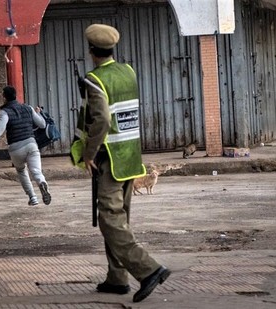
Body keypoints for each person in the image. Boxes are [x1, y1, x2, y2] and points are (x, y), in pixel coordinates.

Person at [80, 23, 171, 303]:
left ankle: (149, 270)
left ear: (91, 51)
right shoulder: (128, 71)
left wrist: (88, 153)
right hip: (131, 157)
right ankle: (117, 278)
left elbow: (104, 120)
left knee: (109, 220)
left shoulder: (94, 80)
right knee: (121, 219)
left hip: (109, 158)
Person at [0, 86, 52, 206]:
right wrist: (37, 114)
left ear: (5, 97)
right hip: (31, 144)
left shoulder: (4, 112)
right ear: (16, 95)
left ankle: (33, 197)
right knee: (36, 171)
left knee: (21, 171)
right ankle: (41, 182)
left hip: (16, 148)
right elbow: (42, 124)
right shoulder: (27, 108)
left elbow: (1, 127)